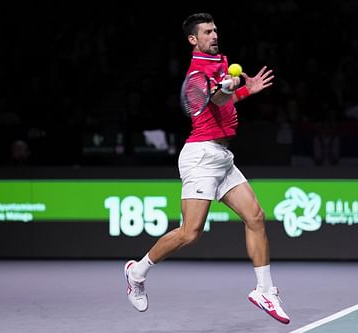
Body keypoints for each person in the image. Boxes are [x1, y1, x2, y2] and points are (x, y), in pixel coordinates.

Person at [123, 12, 290, 325]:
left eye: (215, 30)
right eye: (207, 32)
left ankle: (265, 290)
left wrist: (243, 91)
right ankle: (137, 272)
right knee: (190, 233)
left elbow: (222, 102)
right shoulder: (198, 70)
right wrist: (227, 88)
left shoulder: (220, 61)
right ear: (193, 39)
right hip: (200, 156)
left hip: (223, 157)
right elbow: (215, 97)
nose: (214, 35)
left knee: (255, 216)